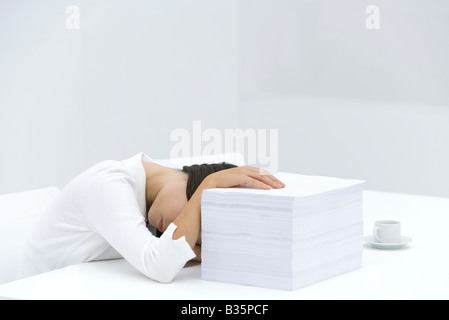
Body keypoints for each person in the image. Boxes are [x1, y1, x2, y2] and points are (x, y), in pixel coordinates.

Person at [18, 153, 285, 283]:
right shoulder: (108, 184)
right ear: (193, 183)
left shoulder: (149, 198)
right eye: (188, 212)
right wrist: (209, 186)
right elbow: (159, 265)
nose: (174, 228)